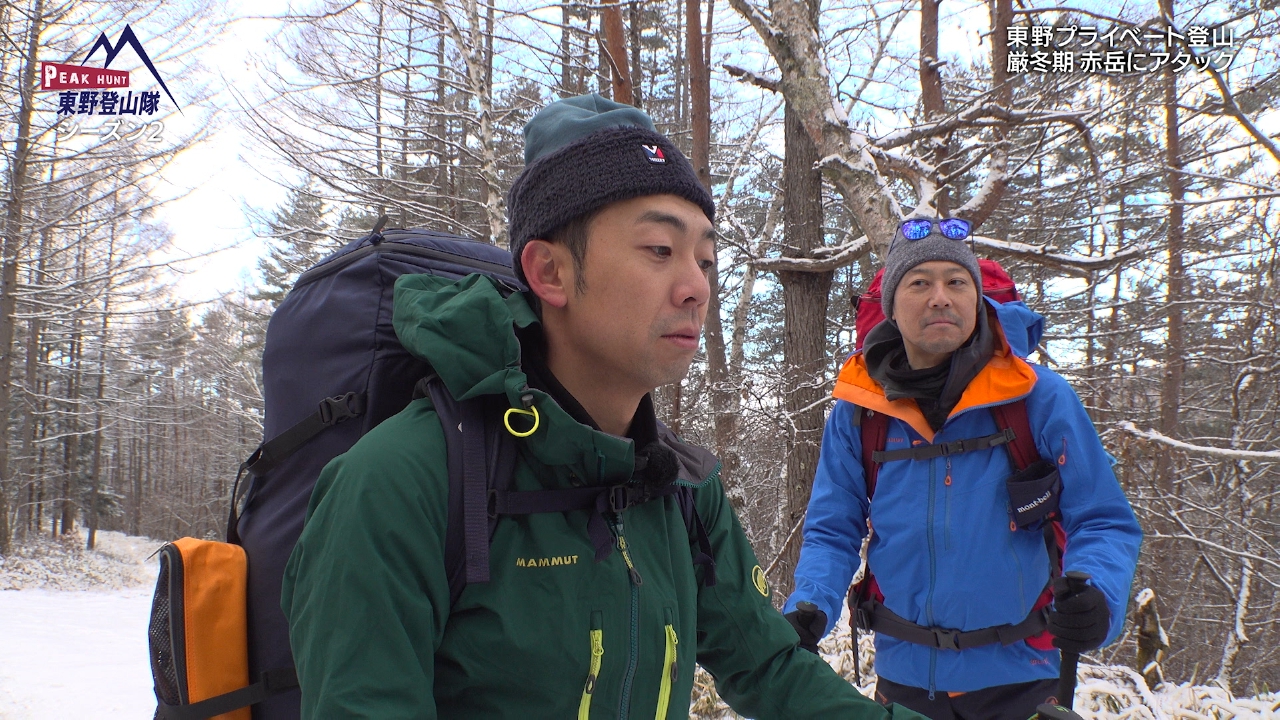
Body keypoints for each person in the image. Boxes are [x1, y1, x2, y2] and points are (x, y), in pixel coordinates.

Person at [281, 94, 923, 719]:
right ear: (549, 273)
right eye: (659, 251)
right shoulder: (403, 483)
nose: (697, 286)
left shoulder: (679, 488)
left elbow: (770, 669)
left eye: (705, 257)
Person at [783, 218, 1143, 720]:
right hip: (903, 679)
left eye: (956, 282)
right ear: (891, 304)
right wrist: (810, 607)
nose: (940, 297)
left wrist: (1098, 594)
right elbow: (832, 529)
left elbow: (1102, 518)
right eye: (919, 283)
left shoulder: (1037, 398)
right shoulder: (860, 411)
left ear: (976, 299)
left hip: (1022, 677)